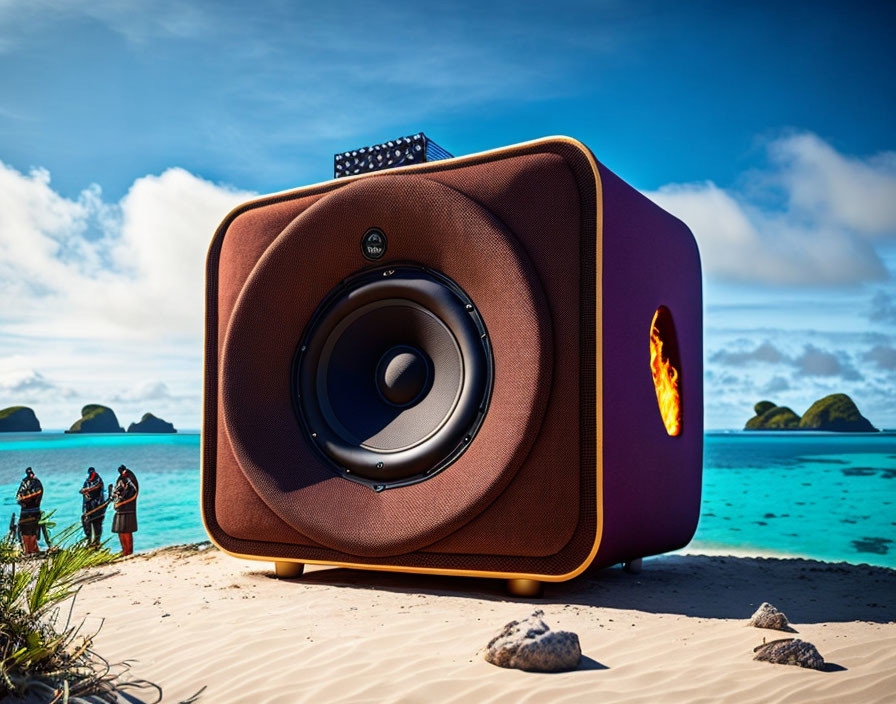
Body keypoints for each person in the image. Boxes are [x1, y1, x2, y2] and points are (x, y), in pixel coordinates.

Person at [111, 464, 138, 556]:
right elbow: (117, 491)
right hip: (120, 508)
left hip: (128, 508)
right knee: (120, 530)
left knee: (127, 530)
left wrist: (122, 503)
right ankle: (124, 550)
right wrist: (115, 498)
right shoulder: (120, 479)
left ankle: (129, 551)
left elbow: (134, 493)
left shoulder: (129, 479)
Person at [16, 467, 43, 555]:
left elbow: (39, 493)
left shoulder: (36, 482)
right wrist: (23, 500)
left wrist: (28, 498)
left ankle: (32, 549)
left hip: (33, 510)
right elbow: (18, 497)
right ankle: (27, 550)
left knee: (32, 530)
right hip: (25, 511)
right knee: (25, 530)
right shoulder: (24, 483)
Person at [80, 466, 106, 547]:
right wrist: (84, 491)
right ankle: (89, 539)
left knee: (97, 523)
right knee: (86, 520)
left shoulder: (98, 480)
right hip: (88, 505)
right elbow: (83, 490)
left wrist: (87, 490)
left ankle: (96, 542)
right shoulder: (87, 481)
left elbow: (97, 486)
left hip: (97, 505)